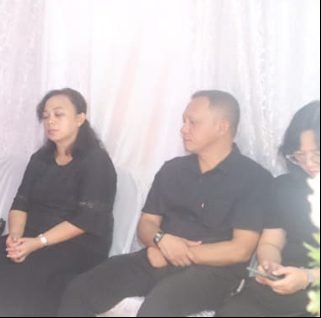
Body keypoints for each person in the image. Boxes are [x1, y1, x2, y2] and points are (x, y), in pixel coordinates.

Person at [59, 91, 274, 317]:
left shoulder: (254, 178)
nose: (184, 129)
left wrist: (176, 253)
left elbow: (241, 250)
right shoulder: (173, 169)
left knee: (158, 307)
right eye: (184, 121)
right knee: (81, 289)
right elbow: (147, 224)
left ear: (222, 127)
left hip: (215, 272)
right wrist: (161, 240)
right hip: (159, 255)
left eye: (193, 122)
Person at [0, 89, 117, 317]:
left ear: (80, 118)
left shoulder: (96, 161)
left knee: (30, 270)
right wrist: (16, 237)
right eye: (46, 115)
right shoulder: (40, 159)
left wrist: (38, 243)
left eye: (58, 114)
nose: (50, 121)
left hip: (80, 242)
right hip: (35, 235)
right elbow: (21, 202)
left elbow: (87, 220)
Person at [216, 101, 320, 317]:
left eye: (317, 154)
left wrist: (308, 277)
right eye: (300, 155)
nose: (309, 164)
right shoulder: (284, 187)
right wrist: (270, 265)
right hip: (286, 280)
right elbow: (271, 242)